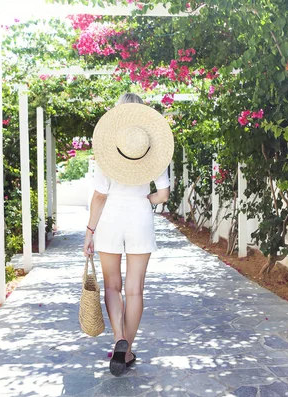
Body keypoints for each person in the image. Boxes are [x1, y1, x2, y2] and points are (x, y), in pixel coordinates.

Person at [83, 92, 174, 377]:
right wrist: (145, 200)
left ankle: (118, 339)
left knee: (113, 287)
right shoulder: (153, 152)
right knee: (135, 289)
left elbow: (99, 196)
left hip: (109, 219)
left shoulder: (106, 153)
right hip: (139, 219)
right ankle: (128, 349)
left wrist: (89, 231)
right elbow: (163, 194)